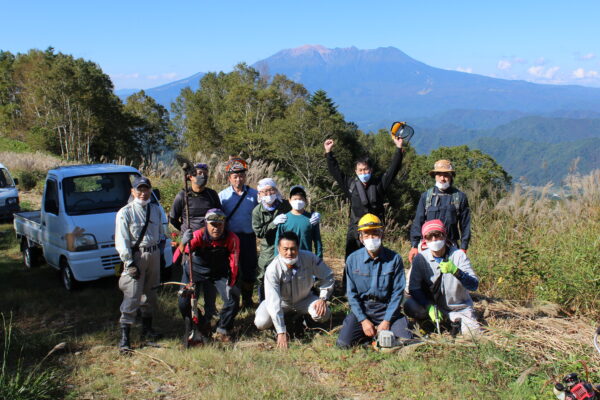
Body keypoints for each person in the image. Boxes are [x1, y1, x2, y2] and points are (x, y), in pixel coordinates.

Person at [336, 213, 412, 348]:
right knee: (343, 344)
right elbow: (352, 295)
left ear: (382, 235)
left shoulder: (394, 259)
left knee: (405, 342)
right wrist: (363, 320)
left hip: (387, 308)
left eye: (375, 233)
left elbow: (397, 293)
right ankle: (369, 338)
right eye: (366, 234)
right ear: (361, 237)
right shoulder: (352, 260)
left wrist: (387, 320)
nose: (371, 238)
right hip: (363, 309)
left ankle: (378, 336)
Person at [324, 135, 404, 260]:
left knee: (375, 259)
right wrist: (329, 153)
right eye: (360, 170)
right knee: (352, 260)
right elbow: (336, 172)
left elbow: (393, 170)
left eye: (366, 170)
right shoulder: (350, 185)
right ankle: (349, 280)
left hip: (374, 231)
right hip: (355, 231)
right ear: (356, 171)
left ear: (371, 170)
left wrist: (399, 148)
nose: (363, 173)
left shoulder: (379, 185)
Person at [254, 231, 334, 349]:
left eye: (293, 249)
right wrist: (281, 332)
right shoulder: (272, 269)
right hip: (281, 302)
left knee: (323, 314)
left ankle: (304, 319)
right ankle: (279, 326)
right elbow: (273, 302)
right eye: (285, 249)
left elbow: (328, 276)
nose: (289, 253)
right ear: (279, 249)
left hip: (305, 299)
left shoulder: (309, 258)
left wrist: (323, 298)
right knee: (261, 322)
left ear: (298, 247)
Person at [404, 219, 480, 336]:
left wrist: (456, 271)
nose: (434, 239)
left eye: (437, 235)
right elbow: (414, 288)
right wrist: (428, 306)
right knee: (410, 306)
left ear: (444, 236)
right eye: (429, 236)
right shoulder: (421, 259)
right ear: (425, 239)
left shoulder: (458, 255)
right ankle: (427, 322)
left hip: (459, 308)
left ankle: (454, 324)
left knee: (472, 335)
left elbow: (474, 285)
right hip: (434, 307)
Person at [115, 176, 166, 352]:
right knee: (132, 295)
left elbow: (161, 232)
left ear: (150, 190)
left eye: (146, 189)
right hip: (136, 257)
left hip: (154, 254)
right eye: (139, 190)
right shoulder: (125, 212)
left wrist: (161, 253)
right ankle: (124, 339)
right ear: (133, 191)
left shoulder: (156, 210)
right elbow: (122, 240)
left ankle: (147, 330)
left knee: (150, 295)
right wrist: (129, 263)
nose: (143, 193)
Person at [177, 208, 240, 342]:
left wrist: (231, 283)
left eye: (219, 225)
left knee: (233, 297)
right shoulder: (197, 235)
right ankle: (199, 324)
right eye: (213, 225)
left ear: (224, 224)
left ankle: (222, 328)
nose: (216, 228)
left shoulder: (232, 238)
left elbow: (234, 263)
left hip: (218, 272)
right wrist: (183, 241)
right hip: (195, 271)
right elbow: (181, 252)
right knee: (183, 303)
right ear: (206, 224)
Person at [408, 159, 471, 264]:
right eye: (439, 175)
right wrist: (414, 246)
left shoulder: (460, 197)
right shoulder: (426, 197)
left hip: (451, 247)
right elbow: (418, 222)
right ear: (435, 176)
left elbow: (465, 224)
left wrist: (464, 247)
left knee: (452, 276)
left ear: (451, 177)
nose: (442, 178)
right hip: (428, 245)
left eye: (446, 175)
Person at [218, 157, 259, 308]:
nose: (238, 179)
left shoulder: (255, 194)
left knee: (249, 270)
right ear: (229, 178)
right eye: (235, 176)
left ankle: (247, 299)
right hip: (230, 239)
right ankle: (232, 301)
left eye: (241, 175)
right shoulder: (222, 196)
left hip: (248, 237)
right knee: (232, 270)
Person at [252, 178, 291, 302]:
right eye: (264, 191)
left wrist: (311, 217)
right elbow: (259, 232)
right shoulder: (257, 211)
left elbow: (298, 214)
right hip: (268, 248)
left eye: (271, 190)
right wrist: (273, 224)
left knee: (287, 275)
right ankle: (263, 303)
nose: (268, 194)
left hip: (287, 246)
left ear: (276, 191)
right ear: (259, 194)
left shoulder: (286, 205)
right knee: (264, 276)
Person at [169, 163, 221, 233]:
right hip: (190, 240)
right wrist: (184, 230)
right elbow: (172, 218)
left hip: (209, 239)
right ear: (191, 177)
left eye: (205, 174)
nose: (203, 176)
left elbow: (219, 215)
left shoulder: (212, 194)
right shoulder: (182, 196)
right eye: (199, 173)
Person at [274, 185, 323, 259]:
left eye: (300, 199)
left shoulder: (312, 219)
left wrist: (319, 259)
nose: (298, 201)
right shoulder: (283, 219)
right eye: (295, 199)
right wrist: (277, 259)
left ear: (305, 201)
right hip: (287, 259)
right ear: (289, 200)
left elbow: (317, 242)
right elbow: (278, 242)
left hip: (306, 259)